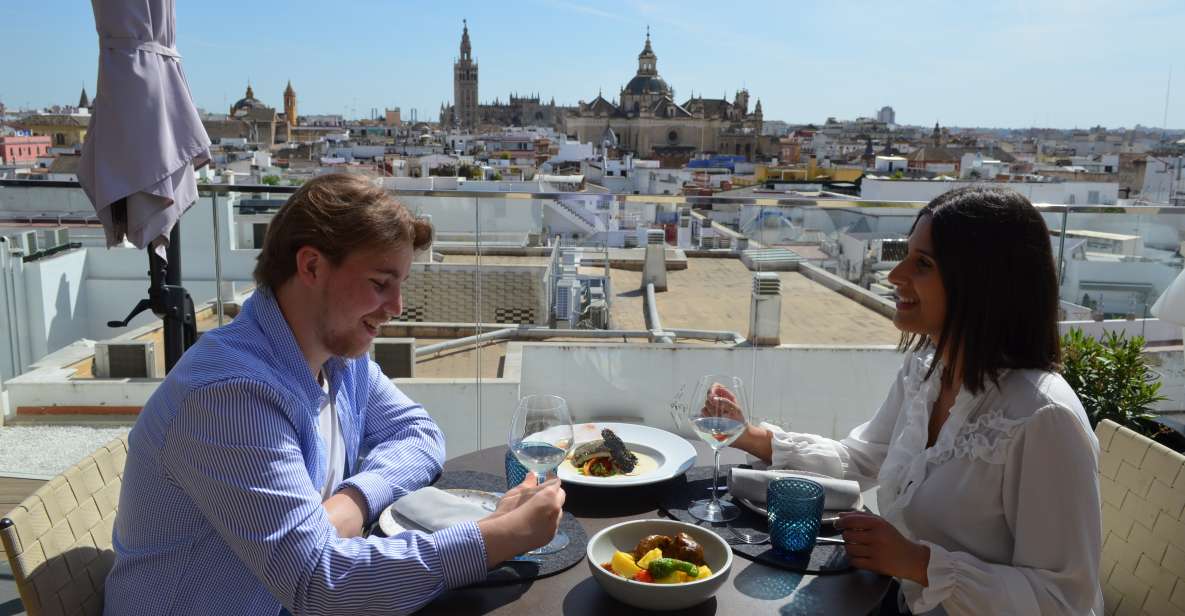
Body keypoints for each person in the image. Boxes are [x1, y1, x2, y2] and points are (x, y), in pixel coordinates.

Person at [104, 173, 565, 615]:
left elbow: (420, 435)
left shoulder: (340, 357)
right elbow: (320, 585)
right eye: (380, 284)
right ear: (311, 266)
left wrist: (352, 502)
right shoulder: (229, 396)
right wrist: (500, 536)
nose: (396, 309)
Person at [715, 187, 1102, 614]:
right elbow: (861, 459)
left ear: (982, 281)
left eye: (922, 264)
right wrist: (750, 436)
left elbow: (1064, 601)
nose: (895, 275)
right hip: (890, 599)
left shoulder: (1043, 418)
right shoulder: (927, 372)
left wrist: (920, 564)